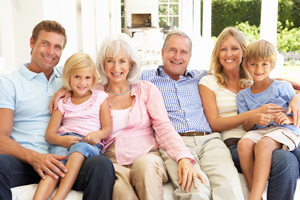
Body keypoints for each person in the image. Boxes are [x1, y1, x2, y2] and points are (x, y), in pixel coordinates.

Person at [52, 33, 201, 200]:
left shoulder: (146, 89)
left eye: (122, 61)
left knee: (145, 167)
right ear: (103, 63)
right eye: (110, 61)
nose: (116, 68)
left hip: (147, 155)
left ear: (130, 64)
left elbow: (164, 127)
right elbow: (74, 78)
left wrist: (183, 157)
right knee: (121, 190)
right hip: (112, 161)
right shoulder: (93, 93)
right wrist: (64, 89)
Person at [0, 20, 115, 200]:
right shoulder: (9, 83)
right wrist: (34, 157)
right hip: (26, 162)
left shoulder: (68, 75)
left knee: (102, 164)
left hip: (67, 160)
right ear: (32, 42)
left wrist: (64, 88)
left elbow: (94, 78)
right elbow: (1, 137)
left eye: (57, 47)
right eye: (45, 43)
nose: (51, 52)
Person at [199, 27, 300, 200]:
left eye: (234, 48)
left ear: (244, 54)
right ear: (217, 53)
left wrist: (298, 97)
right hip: (237, 142)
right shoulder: (209, 81)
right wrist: (254, 113)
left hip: (270, 134)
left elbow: (285, 87)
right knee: (285, 161)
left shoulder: (254, 79)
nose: (228, 53)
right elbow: (214, 123)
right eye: (223, 49)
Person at [141, 30, 244, 200]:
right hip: (175, 143)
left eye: (183, 52)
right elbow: (110, 80)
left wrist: (292, 87)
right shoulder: (146, 79)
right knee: (196, 191)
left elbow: (258, 78)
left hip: (211, 141)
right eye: (173, 50)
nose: (177, 56)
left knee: (229, 188)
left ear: (189, 57)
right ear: (163, 52)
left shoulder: (202, 77)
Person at [33, 52, 112, 200]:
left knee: (77, 151)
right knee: (53, 167)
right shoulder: (63, 102)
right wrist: (63, 141)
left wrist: (97, 135)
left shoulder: (100, 98)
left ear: (93, 78)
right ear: (68, 77)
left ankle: (59, 197)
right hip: (64, 140)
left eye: (87, 77)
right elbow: (50, 134)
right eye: (77, 77)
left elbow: (107, 128)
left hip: (87, 143)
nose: (82, 82)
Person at [237, 39, 300, 200]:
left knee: (263, 145)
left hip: (285, 130)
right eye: (254, 64)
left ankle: (253, 197)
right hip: (262, 131)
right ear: (246, 65)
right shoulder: (243, 95)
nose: (259, 69)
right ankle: (257, 195)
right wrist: (253, 118)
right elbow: (246, 127)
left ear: (272, 66)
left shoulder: (282, 87)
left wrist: (287, 118)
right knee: (243, 144)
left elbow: (297, 116)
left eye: (264, 64)